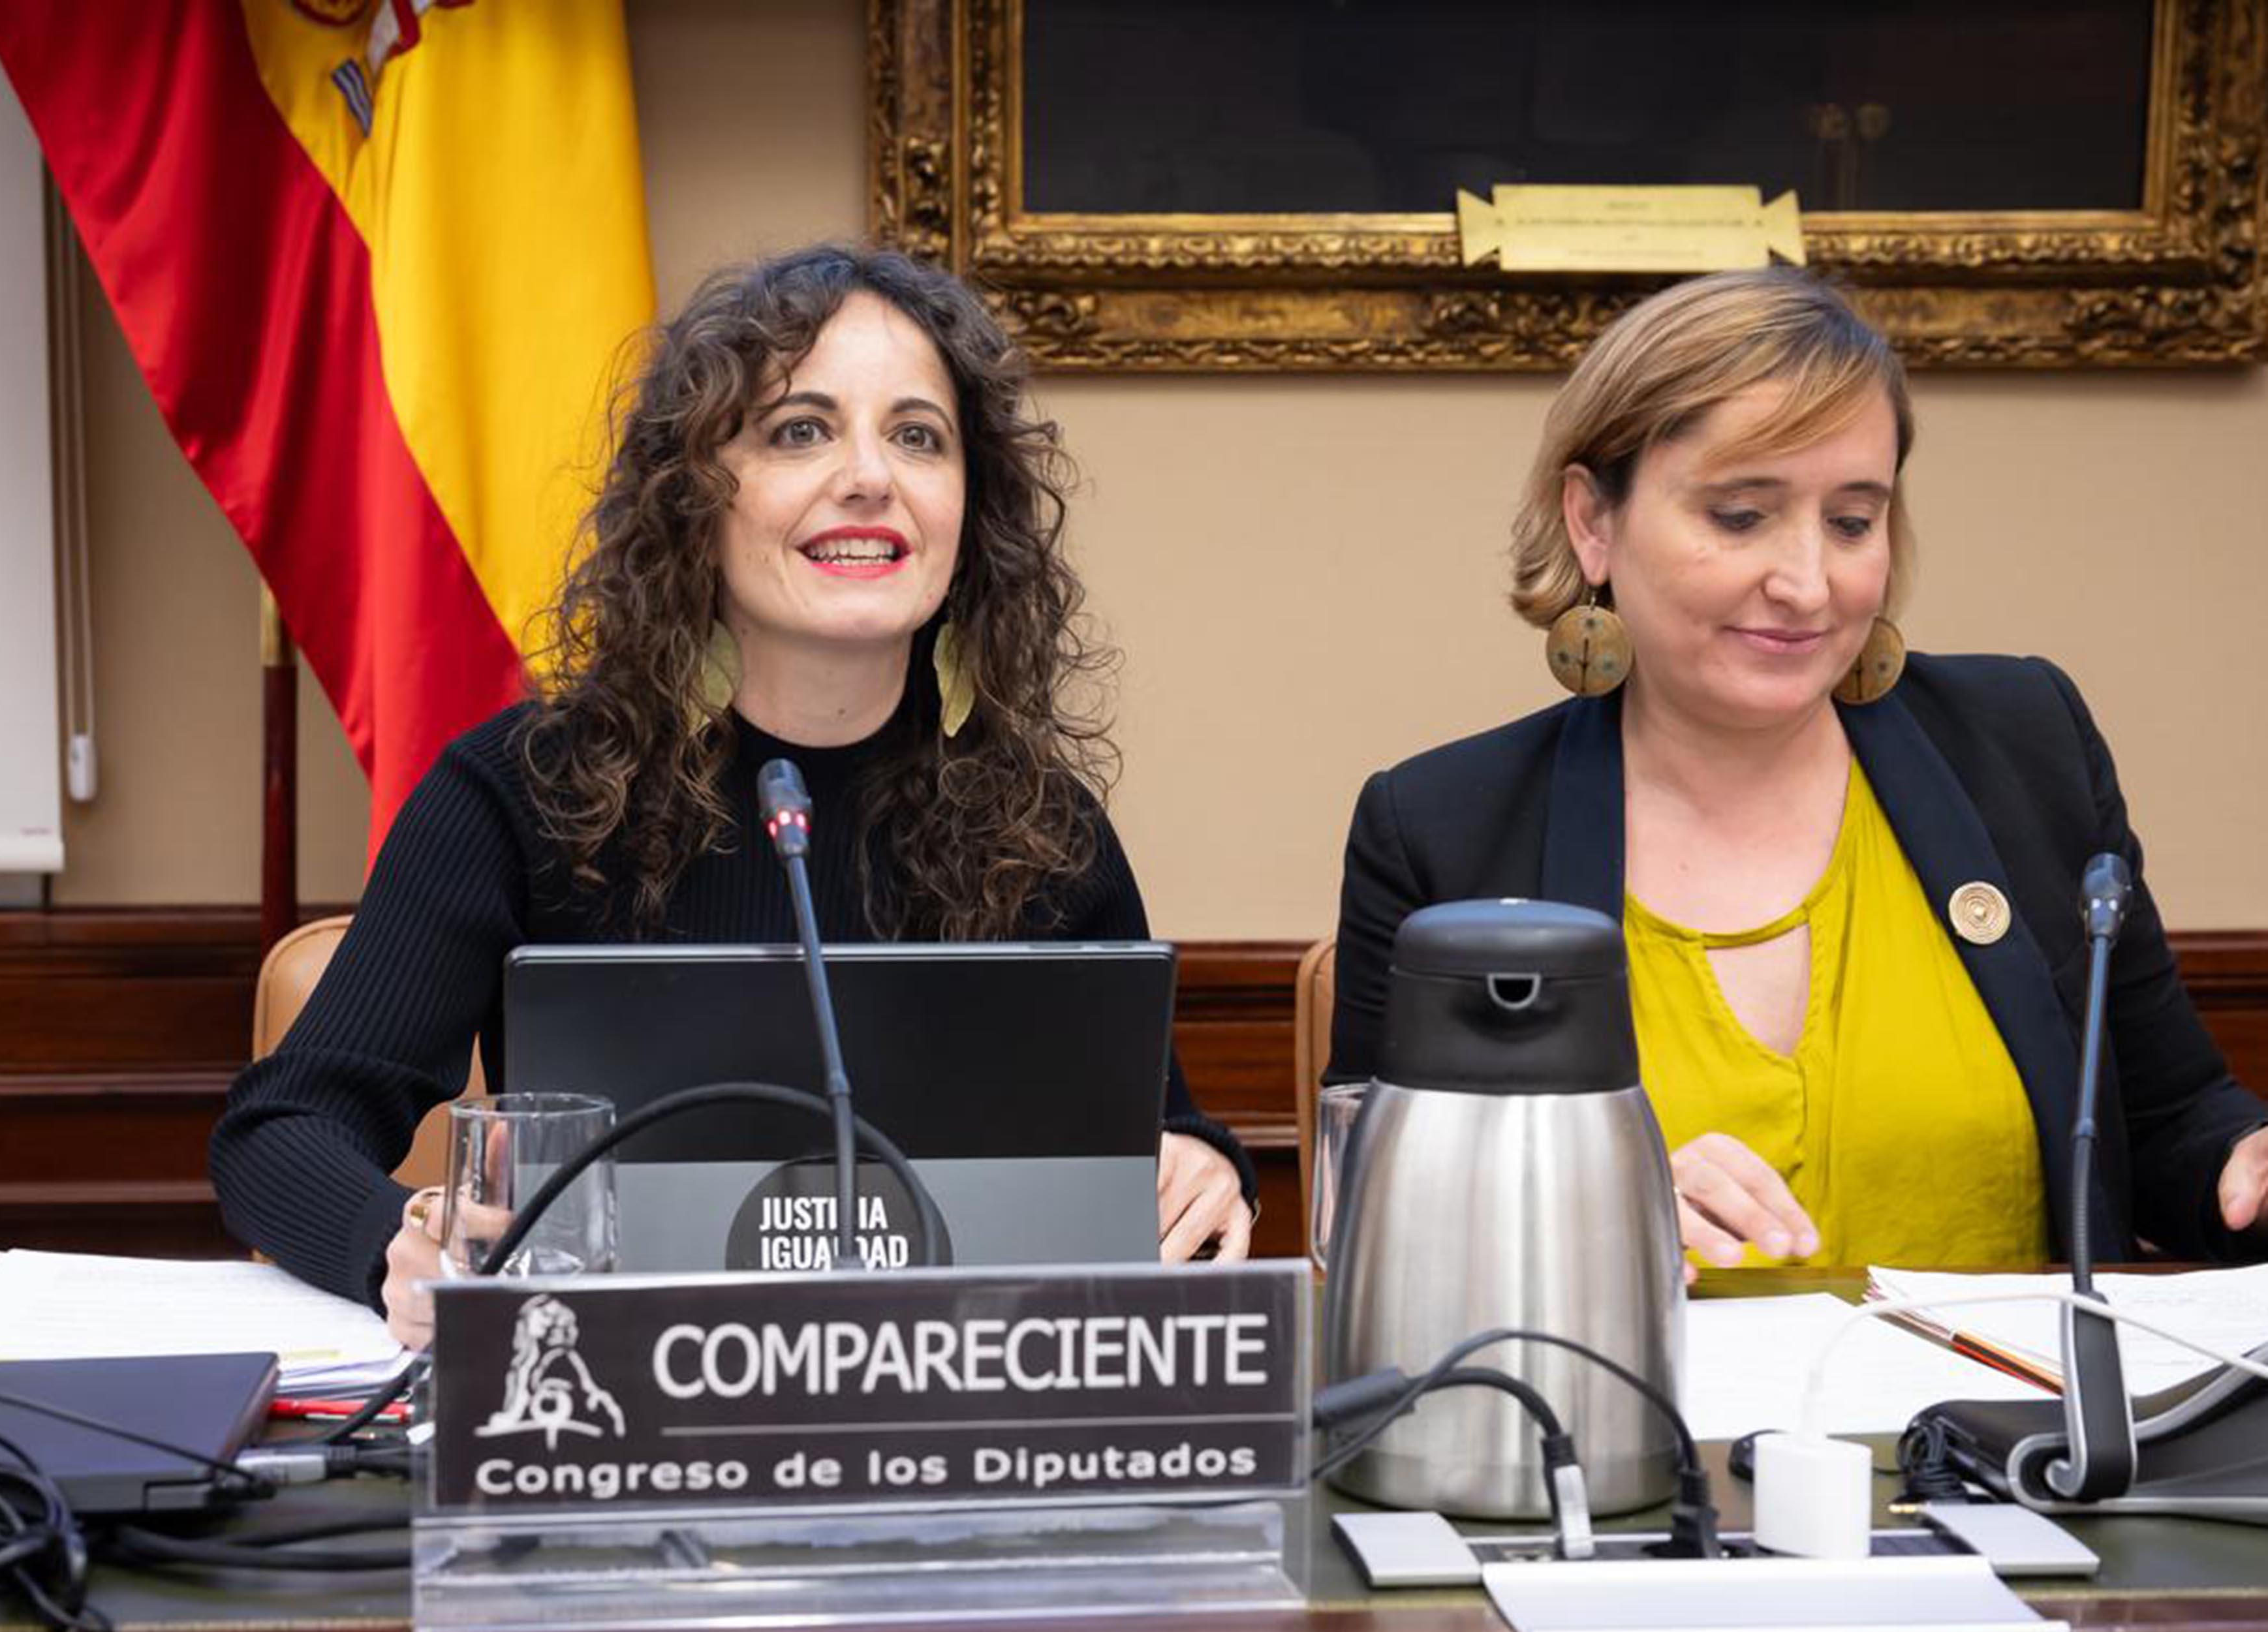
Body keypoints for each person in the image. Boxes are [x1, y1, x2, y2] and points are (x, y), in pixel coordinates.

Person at [213, 245, 1255, 1344]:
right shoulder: (519, 793)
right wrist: (397, 1236)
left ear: (969, 509)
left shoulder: (1041, 825)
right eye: (800, 430)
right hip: (621, 1393)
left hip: (948, 1392)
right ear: (692, 498)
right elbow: (280, 1131)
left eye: (918, 436)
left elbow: (1154, 1142)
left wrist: (1200, 1167)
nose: (870, 477)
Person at [1327, 268, 2267, 1277]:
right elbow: (1373, 1218)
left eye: (1851, 522)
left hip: (2007, 1388)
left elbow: (2171, 1119)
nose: (1808, 584)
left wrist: (2246, 1163)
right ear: (1592, 521)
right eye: (1740, 516)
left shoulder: (2023, 742)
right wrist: (1581, 1205)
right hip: (1625, 1385)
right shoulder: (1438, 828)